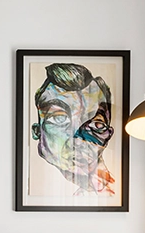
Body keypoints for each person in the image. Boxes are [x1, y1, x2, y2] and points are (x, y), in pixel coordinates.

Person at [31, 63, 115, 195]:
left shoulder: (110, 193)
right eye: (59, 118)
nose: (78, 140)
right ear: (37, 131)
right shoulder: (40, 187)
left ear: (108, 134)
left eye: (96, 124)